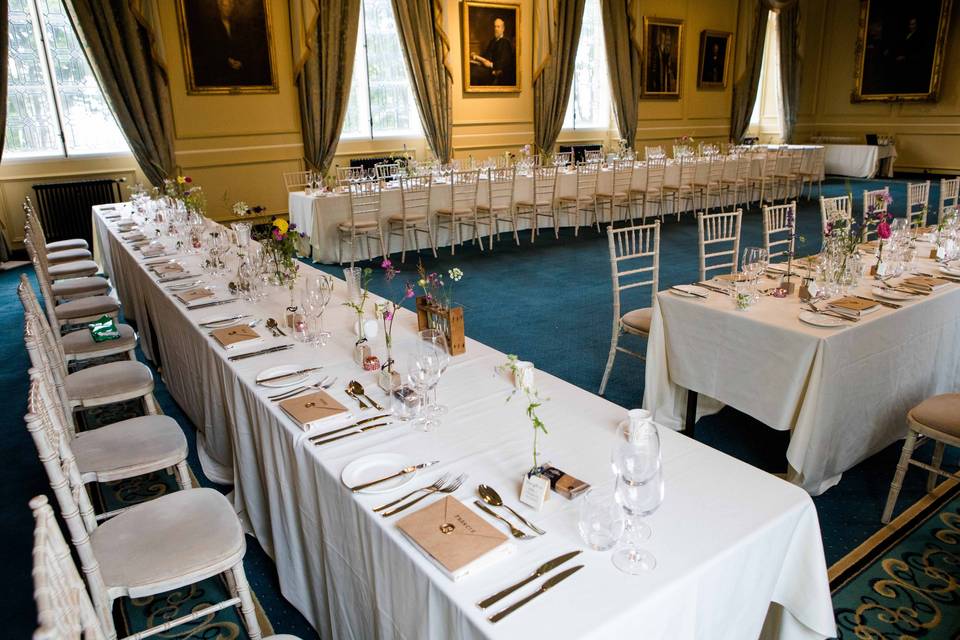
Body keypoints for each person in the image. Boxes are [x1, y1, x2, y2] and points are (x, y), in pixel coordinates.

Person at [187, 0, 272, 88]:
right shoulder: (211, 26)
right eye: (225, 6)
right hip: (219, 74)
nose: (228, 9)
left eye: (230, 6)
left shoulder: (237, 25)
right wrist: (226, 61)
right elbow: (209, 51)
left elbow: (245, 47)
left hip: (239, 72)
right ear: (219, 6)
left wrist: (241, 61)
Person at [470, 17, 516, 86]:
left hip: (496, 73)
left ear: (503, 29)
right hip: (487, 69)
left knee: (474, 73)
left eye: (498, 27)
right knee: (472, 67)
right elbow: (486, 56)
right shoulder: (492, 41)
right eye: (495, 27)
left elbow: (504, 63)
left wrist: (491, 65)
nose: (496, 29)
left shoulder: (506, 43)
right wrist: (477, 57)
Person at [648, 28, 677, 93]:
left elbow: (667, 62)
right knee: (657, 88)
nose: (663, 40)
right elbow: (654, 64)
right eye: (662, 38)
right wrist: (653, 77)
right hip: (658, 73)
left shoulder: (666, 49)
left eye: (664, 38)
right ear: (660, 39)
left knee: (665, 88)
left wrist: (669, 65)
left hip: (664, 73)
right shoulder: (656, 49)